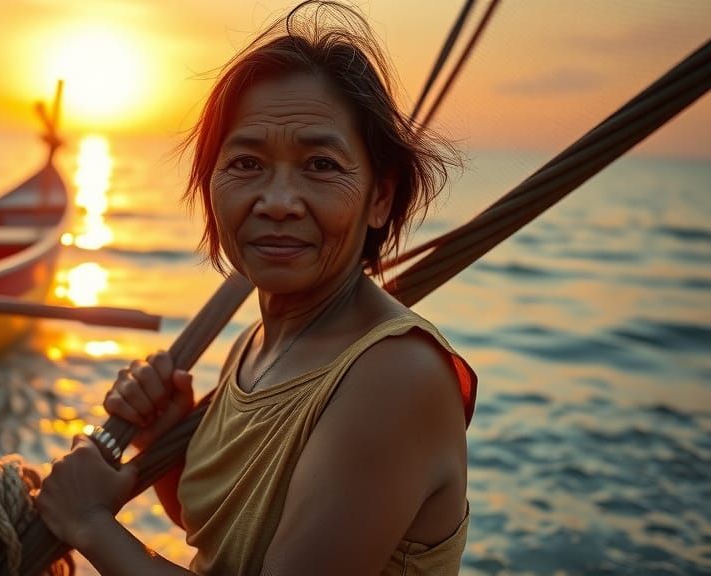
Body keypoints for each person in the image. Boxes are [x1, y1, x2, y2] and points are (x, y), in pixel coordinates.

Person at [36, 2, 477, 573]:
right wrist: (166, 444)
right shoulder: (257, 345)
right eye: (246, 163)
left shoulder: (394, 377)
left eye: (320, 165)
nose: (276, 202)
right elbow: (225, 537)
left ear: (380, 198)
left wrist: (90, 524)